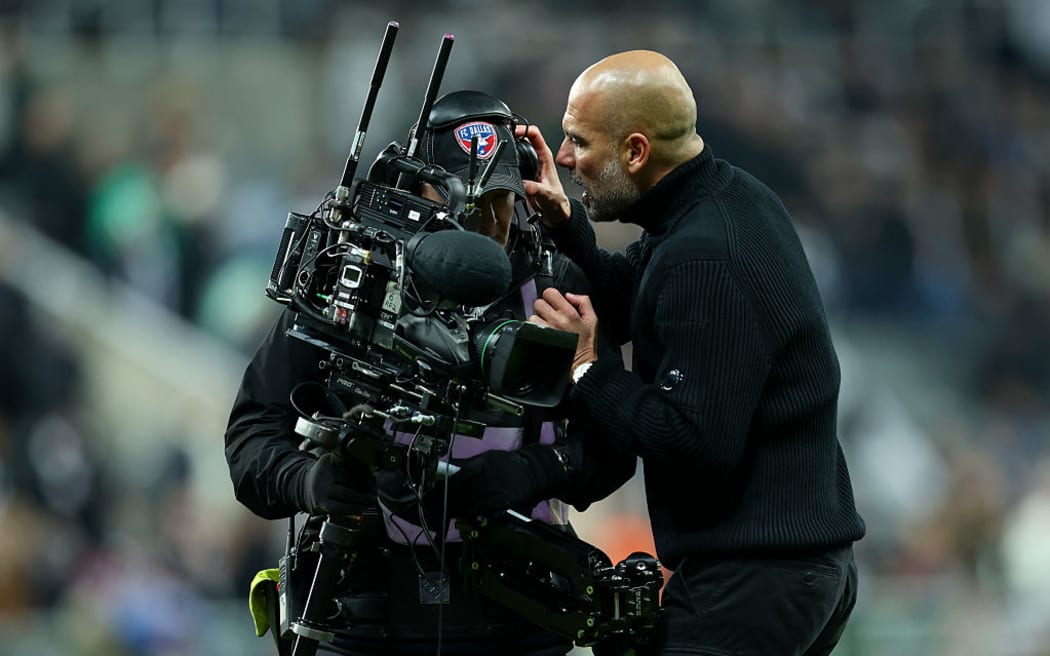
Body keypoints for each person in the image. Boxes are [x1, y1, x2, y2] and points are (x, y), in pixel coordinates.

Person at [225, 89, 632, 656]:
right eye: (464, 203)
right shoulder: (349, 280)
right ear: (417, 192)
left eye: (499, 201)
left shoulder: (555, 285)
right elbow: (251, 435)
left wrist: (534, 471)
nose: (486, 223)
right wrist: (307, 482)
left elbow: (615, 447)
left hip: (519, 614)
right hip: (365, 615)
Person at [515, 50, 867, 655]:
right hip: (792, 570)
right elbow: (641, 300)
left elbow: (692, 443)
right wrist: (567, 225)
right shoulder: (730, 200)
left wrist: (586, 368)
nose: (565, 158)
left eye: (577, 141)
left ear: (634, 152)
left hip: (753, 579)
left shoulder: (704, 255)